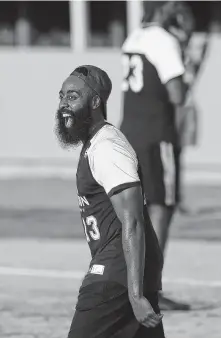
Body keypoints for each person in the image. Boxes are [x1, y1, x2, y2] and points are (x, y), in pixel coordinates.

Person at [55, 65, 164, 338]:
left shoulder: (108, 147)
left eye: (72, 96)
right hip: (128, 272)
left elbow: (134, 221)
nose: (63, 104)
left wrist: (135, 294)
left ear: (94, 102)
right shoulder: (94, 144)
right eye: (61, 96)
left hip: (115, 277)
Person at [120, 1, 190, 310]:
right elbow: (177, 94)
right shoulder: (165, 40)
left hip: (130, 132)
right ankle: (150, 288)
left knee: (137, 210)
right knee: (162, 208)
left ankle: (131, 284)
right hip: (157, 135)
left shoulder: (136, 36)